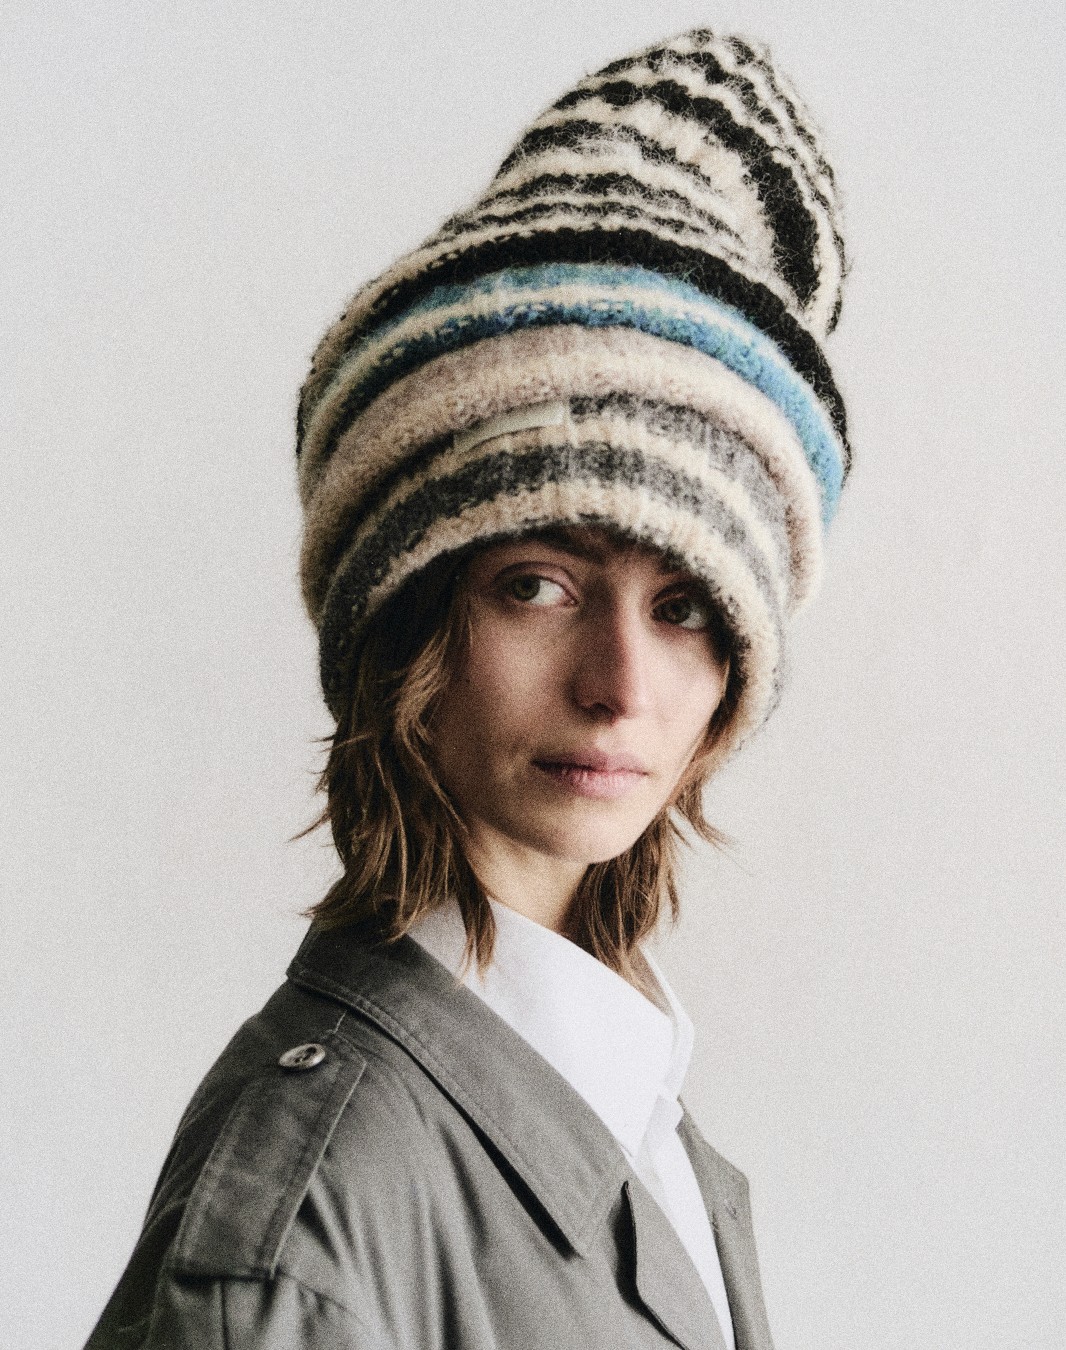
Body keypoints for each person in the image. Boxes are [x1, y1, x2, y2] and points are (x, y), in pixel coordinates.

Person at [86, 25, 850, 1350]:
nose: (619, 684)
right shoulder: (310, 1221)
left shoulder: (635, 1102)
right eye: (537, 583)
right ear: (405, 613)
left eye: (681, 608)